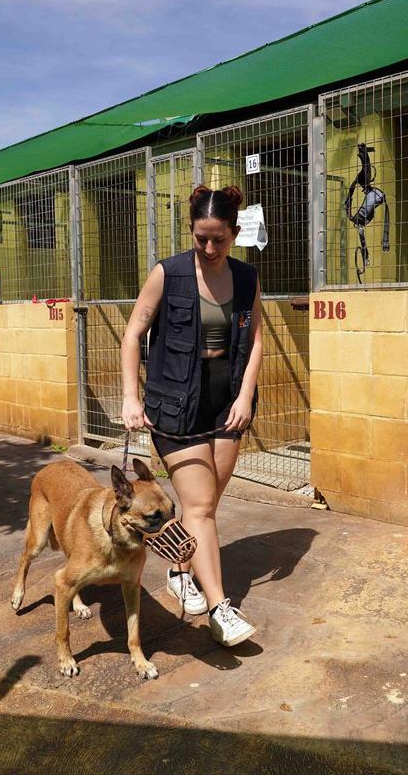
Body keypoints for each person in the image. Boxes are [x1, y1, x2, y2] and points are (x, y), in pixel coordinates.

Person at [120, 185, 263, 647]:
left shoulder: (246, 278)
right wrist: (130, 398)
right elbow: (133, 334)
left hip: (226, 406)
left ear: (235, 233)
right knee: (199, 508)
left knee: (207, 505)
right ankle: (222, 609)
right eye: (200, 237)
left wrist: (244, 396)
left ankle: (180, 568)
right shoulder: (169, 274)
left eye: (218, 238)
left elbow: (256, 338)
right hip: (175, 406)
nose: (208, 247)